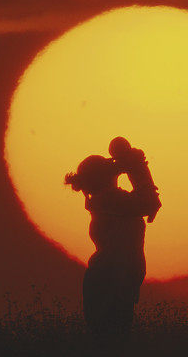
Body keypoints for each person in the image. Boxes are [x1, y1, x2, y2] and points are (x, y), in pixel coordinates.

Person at [64, 141, 161, 340]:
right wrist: (137, 166)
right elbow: (147, 202)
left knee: (110, 342)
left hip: (111, 277)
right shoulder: (109, 199)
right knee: (113, 341)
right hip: (112, 279)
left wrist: (131, 164)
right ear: (102, 177)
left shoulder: (104, 200)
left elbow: (145, 201)